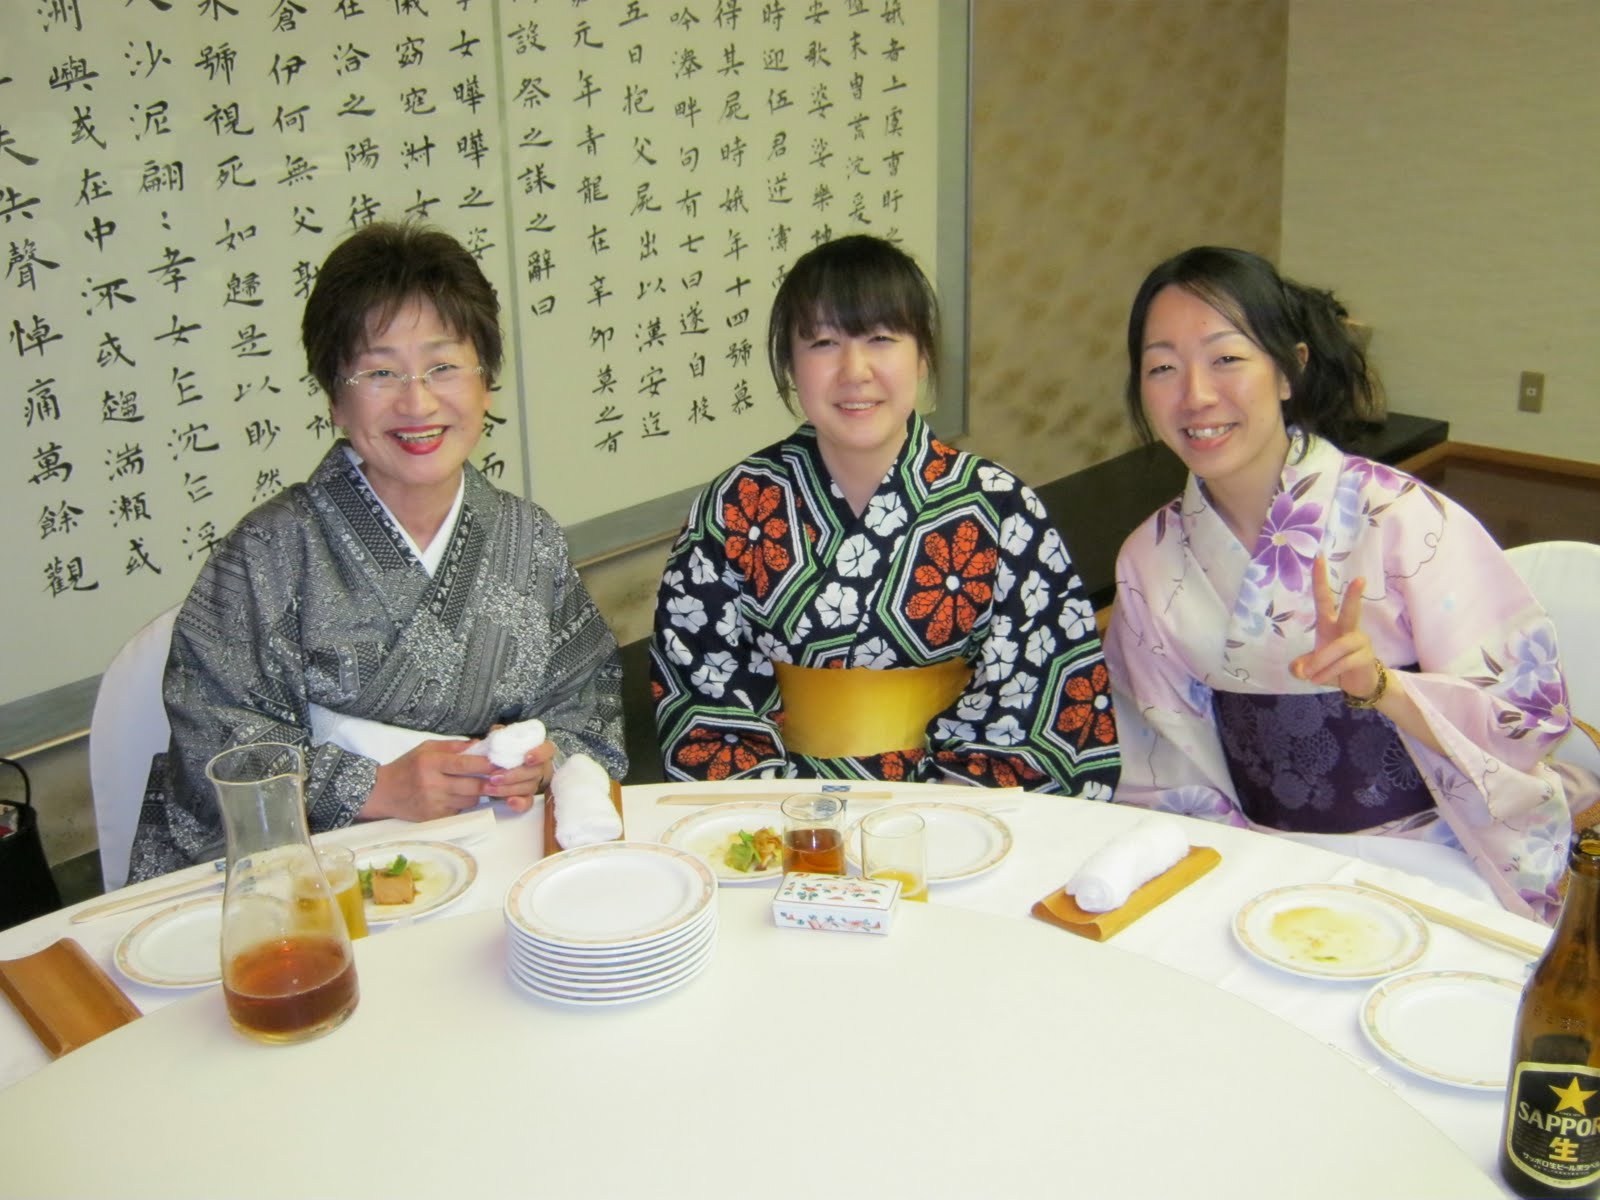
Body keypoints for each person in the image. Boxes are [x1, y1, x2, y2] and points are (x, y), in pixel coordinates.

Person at [129, 222, 626, 882]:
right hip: (321, 882)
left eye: (443, 366)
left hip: (493, 863)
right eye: (380, 372)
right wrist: (377, 787)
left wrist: (541, 762)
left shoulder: (529, 541)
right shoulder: (267, 554)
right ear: (335, 398)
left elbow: (589, 711)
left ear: (485, 383)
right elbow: (214, 749)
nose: (417, 402)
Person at [1103, 245, 1579, 921]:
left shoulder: (1402, 519)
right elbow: (1162, 762)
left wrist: (1383, 687)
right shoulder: (1149, 561)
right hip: (1254, 855)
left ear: (1289, 369)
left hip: (1436, 853)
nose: (1196, 394)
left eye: (1226, 358)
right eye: (1162, 368)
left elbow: (1527, 714)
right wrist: (1239, 868)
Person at [649, 234, 1120, 795]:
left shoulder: (999, 507)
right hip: (781, 815)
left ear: (921, 356)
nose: (855, 370)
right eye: (823, 342)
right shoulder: (733, 507)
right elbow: (703, 696)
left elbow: (1039, 696)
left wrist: (943, 816)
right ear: (790, 364)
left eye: (881, 338)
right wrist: (786, 820)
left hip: (957, 814)